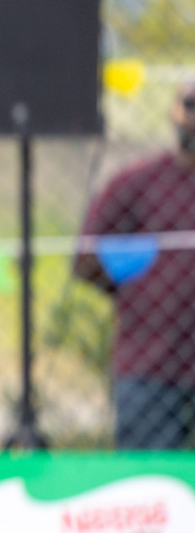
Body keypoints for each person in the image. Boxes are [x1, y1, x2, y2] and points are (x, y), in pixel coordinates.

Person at [75, 78, 195, 449]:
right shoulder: (136, 184)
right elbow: (86, 262)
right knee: (150, 482)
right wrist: (144, 282)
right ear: (174, 114)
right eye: (190, 105)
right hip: (151, 366)